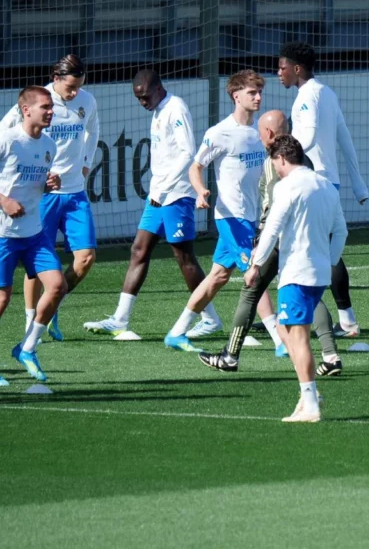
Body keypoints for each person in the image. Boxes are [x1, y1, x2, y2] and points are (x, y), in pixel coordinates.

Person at [199, 110, 344, 376]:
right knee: (310, 294)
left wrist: (257, 257)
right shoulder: (304, 159)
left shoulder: (275, 162)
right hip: (309, 239)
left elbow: (273, 215)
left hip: (278, 239)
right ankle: (331, 354)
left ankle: (231, 356)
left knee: (251, 291)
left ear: (267, 134)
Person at [83, 69, 212, 336]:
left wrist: (164, 189)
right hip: (159, 194)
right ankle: (120, 318)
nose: (142, 102)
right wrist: (158, 189)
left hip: (176, 195)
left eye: (145, 97)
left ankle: (210, 317)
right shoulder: (158, 110)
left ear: (158, 89)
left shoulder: (176, 108)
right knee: (139, 250)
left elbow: (188, 152)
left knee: (184, 257)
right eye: (138, 98)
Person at [246, 135, 348, 423]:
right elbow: (341, 231)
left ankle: (311, 401)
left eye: (274, 163)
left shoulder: (287, 186)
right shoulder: (326, 185)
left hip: (297, 272)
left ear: (281, 159)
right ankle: (308, 395)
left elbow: (273, 227)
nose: (275, 169)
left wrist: (256, 265)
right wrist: (328, 260)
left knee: (299, 336)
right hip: (318, 272)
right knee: (282, 326)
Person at [162, 71, 266, 351]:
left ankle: (177, 331)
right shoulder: (220, 133)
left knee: (219, 276)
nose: (258, 97)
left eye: (259, 92)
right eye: (251, 93)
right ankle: (281, 339)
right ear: (236, 96)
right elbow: (196, 166)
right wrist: (200, 191)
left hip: (251, 214)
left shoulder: (259, 132)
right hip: (231, 216)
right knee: (256, 274)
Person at [0, 54, 98, 342]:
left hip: (74, 190)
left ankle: (51, 307)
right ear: (56, 80)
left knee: (86, 258)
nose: (75, 92)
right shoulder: (38, 103)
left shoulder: (87, 101)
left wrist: (86, 164)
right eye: (70, 87)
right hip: (41, 194)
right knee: (34, 265)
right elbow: (7, 131)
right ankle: (32, 321)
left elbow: (93, 131)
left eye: (79, 86)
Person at [278, 42, 368, 339]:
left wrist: (285, 152)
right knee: (325, 249)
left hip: (312, 180)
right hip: (328, 180)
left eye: (282, 67)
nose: (279, 73)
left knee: (319, 251)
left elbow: (309, 134)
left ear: (297, 68)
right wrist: (358, 183)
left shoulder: (308, 96)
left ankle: (341, 321)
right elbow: (345, 137)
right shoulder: (326, 92)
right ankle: (341, 320)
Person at [2, 87, 65, 383]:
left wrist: (51, 182)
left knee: (57, 286)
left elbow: (36, 183)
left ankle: (27, 348)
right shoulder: (8, 139)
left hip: (33, 233)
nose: (50, 111)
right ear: (26, 110)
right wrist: (3, 201)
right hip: (4, 234)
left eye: (51, 106)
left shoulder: (50, 145)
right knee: (2, 299)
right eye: (45, 106)